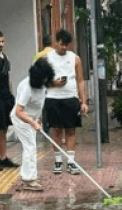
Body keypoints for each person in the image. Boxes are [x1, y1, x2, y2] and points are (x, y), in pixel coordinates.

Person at [44, 28, 87, 175]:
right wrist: (52, 83)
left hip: (71, 98)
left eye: (66, 45)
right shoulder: (47, 58)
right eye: (61, 44)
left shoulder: (75, 58)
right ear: (55, 42)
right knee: (56, 130)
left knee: (71, 130)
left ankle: (71, 162)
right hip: (53, 98)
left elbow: (80, 81)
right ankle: (57, 161)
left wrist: (83, 101)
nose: (64, 48)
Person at [11, 59, 55, 191]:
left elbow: (39, 103)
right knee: (30, 147)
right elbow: (19, 111)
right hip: (21, 119)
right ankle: (29, 180)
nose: (45, 82)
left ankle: (28, 177)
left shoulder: (42, 83)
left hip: (32, 118)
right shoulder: (26, 87)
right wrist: (32, 122)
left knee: (30, 147)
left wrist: (39, 119)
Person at [0, 30, 15, 171]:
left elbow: (7, 77)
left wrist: (11, 95)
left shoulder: (5, 57)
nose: (1, 44)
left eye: (2, 41)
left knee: (4, 129)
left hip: (6, 97)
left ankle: (3, 157)